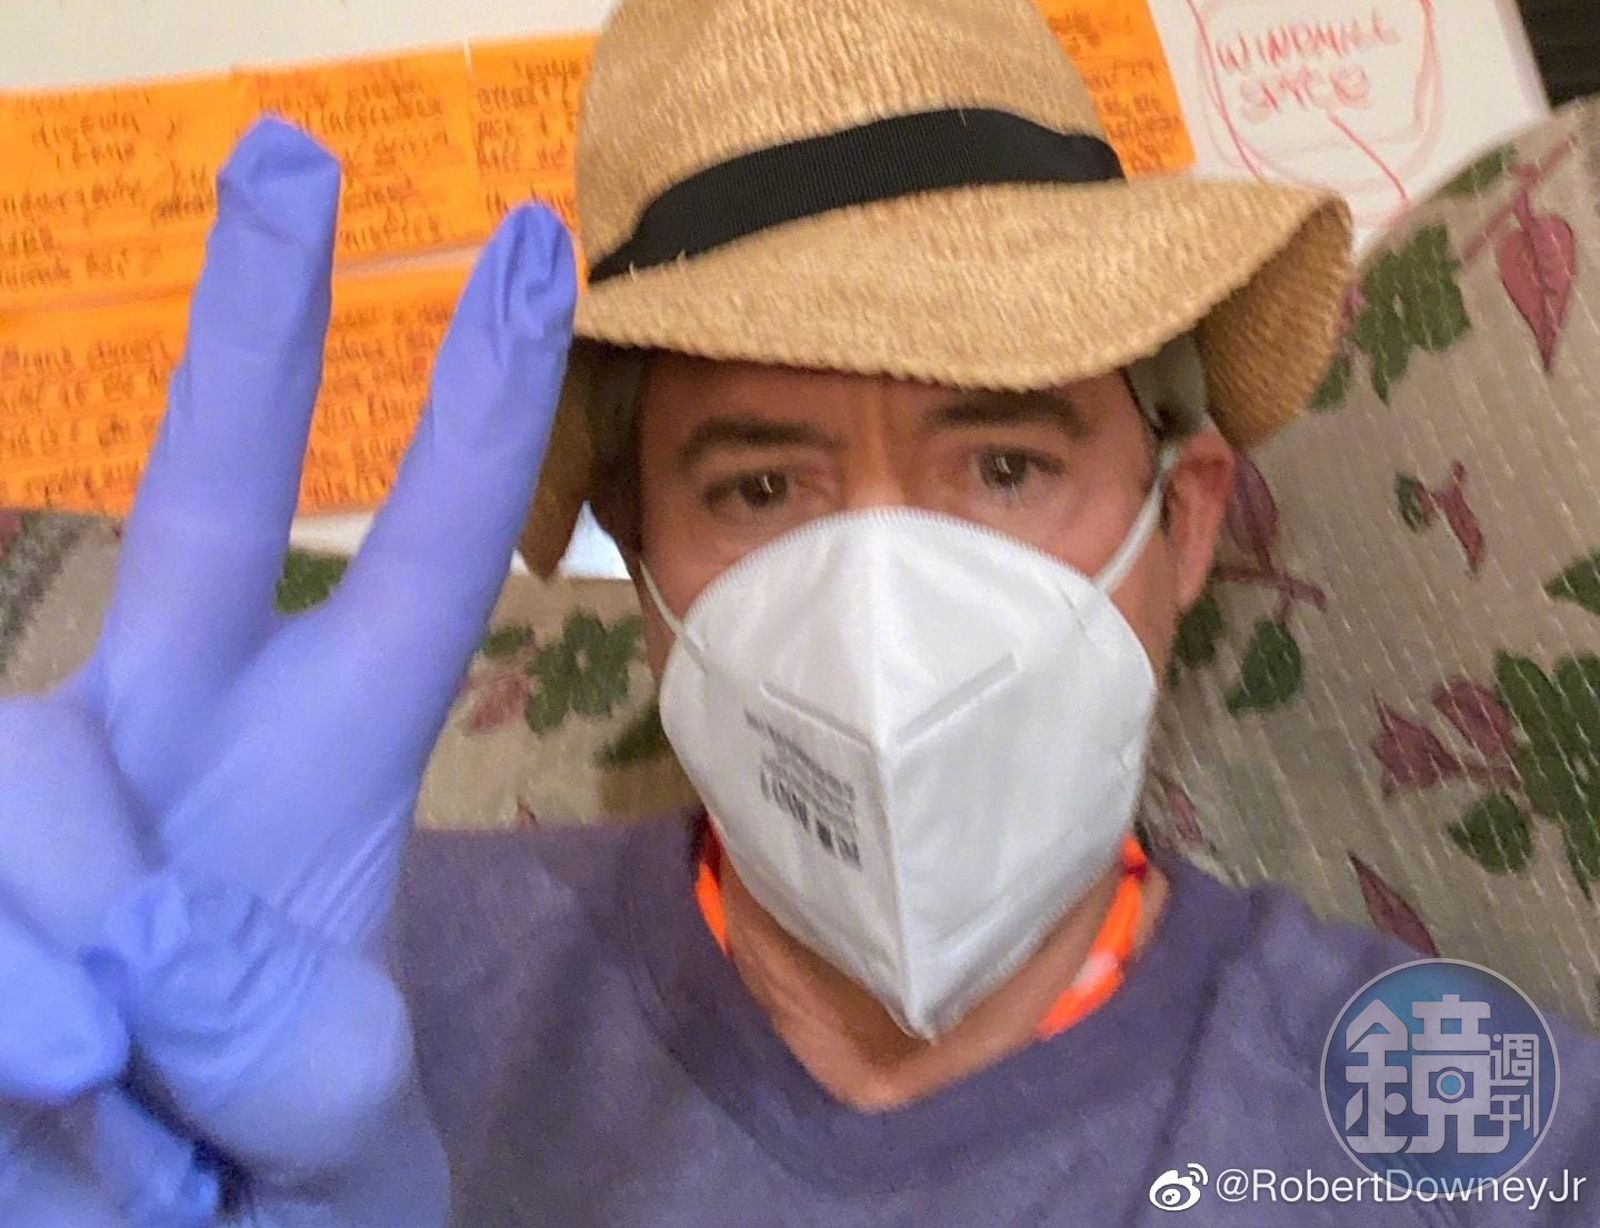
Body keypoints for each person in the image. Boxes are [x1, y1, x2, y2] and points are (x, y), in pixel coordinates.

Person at [1, 0, 1597, 1223]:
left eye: (1004, 464)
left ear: (1181, 526)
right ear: (647, 577)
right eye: (762, 490)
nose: (886, 606)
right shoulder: (324, 978)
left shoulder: (1456, 1120)